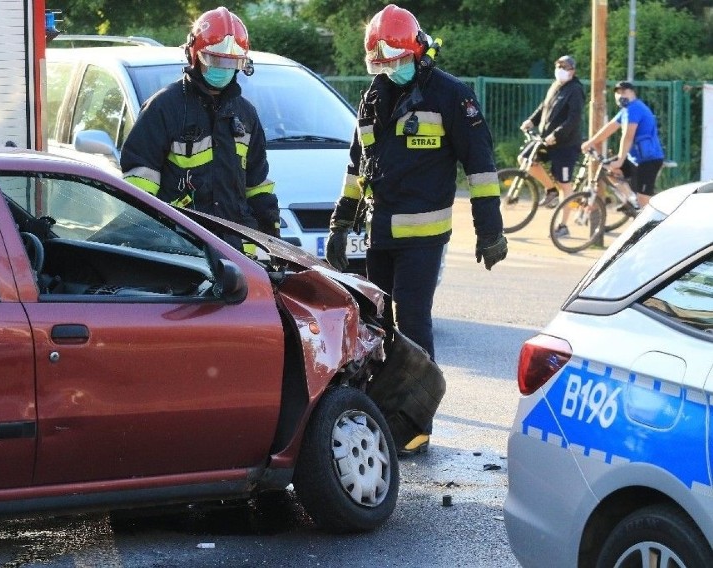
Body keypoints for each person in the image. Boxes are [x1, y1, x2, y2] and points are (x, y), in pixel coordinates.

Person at [324, 5, 506, 454]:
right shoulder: (374, 95)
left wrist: (490, 230)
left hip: (424, 237)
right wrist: (340, 223)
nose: (390, 71)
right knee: (376, 326)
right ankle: (384, 414)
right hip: (378, 235)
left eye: (396, 61)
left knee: (413, 325)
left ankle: (418, 424)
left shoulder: (450, 96)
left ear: (418, 52)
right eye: (381, 64)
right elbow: (356, 167)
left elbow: (480, 167)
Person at [120, 7, 280, 249]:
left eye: (232, 63)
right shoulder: (164, 108)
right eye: (215, 60)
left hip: (237, 251)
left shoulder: (246, 114)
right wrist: (149, 239)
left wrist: (272, 239)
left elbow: (257, 185)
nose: (223, 69)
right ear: (194, 56)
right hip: (182, 247)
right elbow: (139, 186)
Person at [519, 55, 585, 237]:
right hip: (545, 138)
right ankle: (550, 189)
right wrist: (531, 121)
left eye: (565, 67)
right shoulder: (556, 85)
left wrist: (557, 135)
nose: (561, 69)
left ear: (573, 70)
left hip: (565, 144)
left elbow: (574, 118)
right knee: (525, 159)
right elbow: (544, 107)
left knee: (565, 184)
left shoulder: (575, 90)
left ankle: (563, 226)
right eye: (559, 66)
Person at [582, 80, 664, 210]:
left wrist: (620, 160)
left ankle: (652, 224)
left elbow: (628, 136)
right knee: (608, 168)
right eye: (618, 93)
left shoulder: (634, 108)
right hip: (635, 158)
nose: (621, 95)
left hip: (649, 160)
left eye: (624, 92)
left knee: (644, 200)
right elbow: (610, 127)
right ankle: (630, 198)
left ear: (633, 93)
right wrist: (591, 142)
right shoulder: (626, 110)